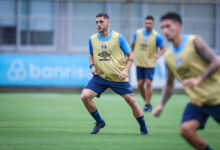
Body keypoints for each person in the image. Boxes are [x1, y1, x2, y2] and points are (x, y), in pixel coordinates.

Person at [152, 12, 220, 150]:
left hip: (216, 96)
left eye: (168, 26)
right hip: (197, 101)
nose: (165, 30)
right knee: (186, 130)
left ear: (179, 26)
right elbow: (170, 85)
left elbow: (216, 62)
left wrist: (199, 79)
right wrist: (161, 105)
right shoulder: (169, 56)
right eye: (162, 27)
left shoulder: (194, 41)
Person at [81, 13, 148, 135]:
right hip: (100, 77)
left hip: (118, 78)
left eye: (101, 22)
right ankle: (99, 122)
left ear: (108, 23)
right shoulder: (92, 39)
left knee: (132, 101)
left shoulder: (118, 38)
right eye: (96, 22)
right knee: (85, 96)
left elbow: (131, 55)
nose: (98, 25)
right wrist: (92, 66)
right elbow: (91, 54)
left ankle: (143, 128)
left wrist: (125, 70)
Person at [131, 15, 165, 112]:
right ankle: (148, 102)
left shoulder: (157, 36)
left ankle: (146, 104)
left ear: (153, 24)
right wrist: (129, 54)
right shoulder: (137, 33)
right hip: (139, 62)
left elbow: (163, 48)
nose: (148, 25)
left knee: (148, 82)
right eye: (146, 23)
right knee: (140, 84)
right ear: (144, 23)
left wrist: (159, 55)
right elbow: (133, 44)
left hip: (150, 63)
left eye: (150, 23)